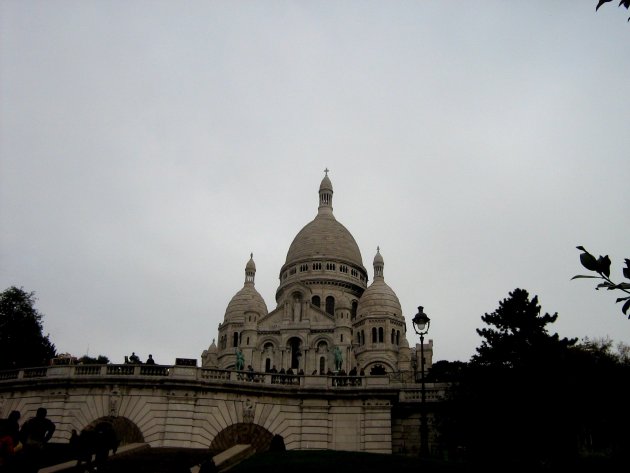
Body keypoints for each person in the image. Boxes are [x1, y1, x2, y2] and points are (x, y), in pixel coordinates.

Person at [19, 408, 55, 473]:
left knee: (26, 465)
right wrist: (45, 439)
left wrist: (24, 441)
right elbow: (52, 428)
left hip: (29, 445)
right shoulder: (46, 422)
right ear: (45, 414)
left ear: (37, 413)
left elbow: (22, 433)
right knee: (35, 465)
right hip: (38, 445)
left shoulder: (30, 421)